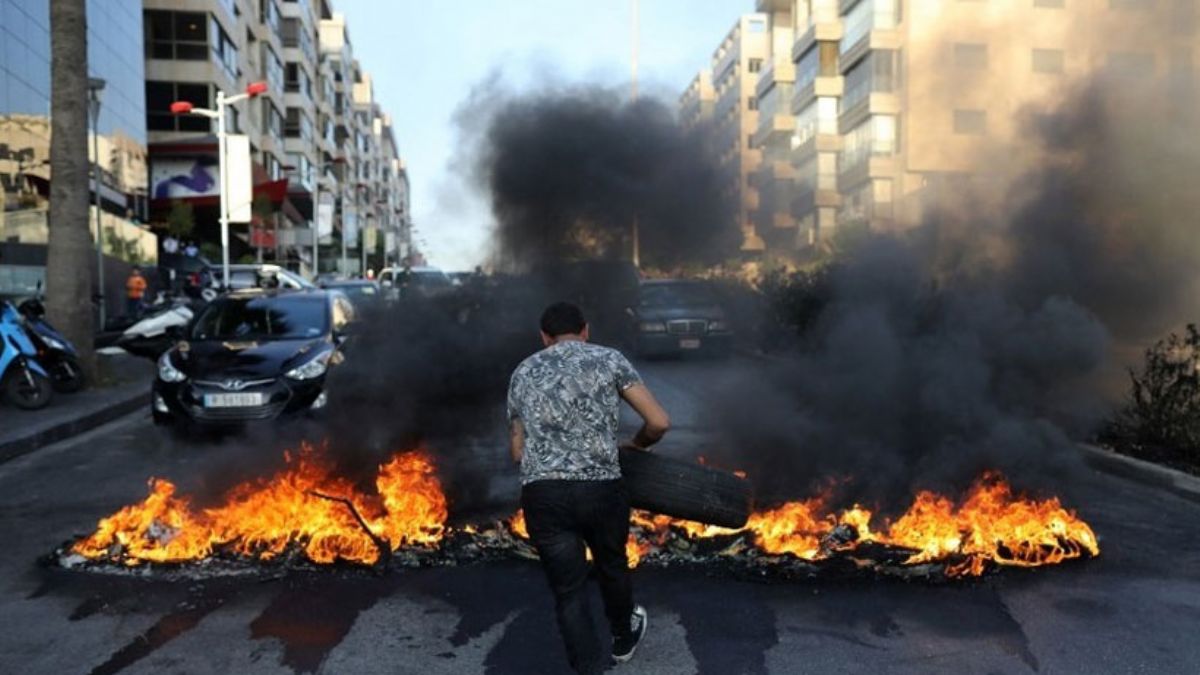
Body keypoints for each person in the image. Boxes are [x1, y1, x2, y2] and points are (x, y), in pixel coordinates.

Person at [507, 302, 671, 674]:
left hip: (544, 494)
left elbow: (517, 452)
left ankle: (587, 668)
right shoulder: (610, 360)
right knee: (612, 564)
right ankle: (623, 637)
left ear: (544, 337)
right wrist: (639, 445)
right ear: (585, 330)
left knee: (568, 590)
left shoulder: (523, 371)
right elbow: (659, 421)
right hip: (601, 490)